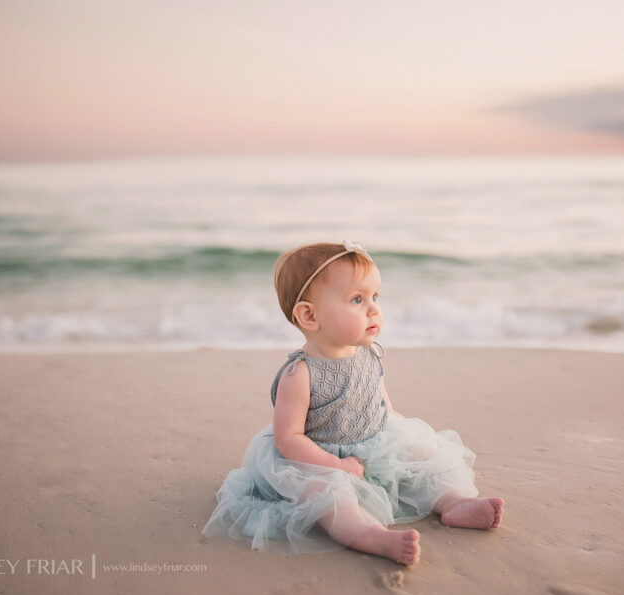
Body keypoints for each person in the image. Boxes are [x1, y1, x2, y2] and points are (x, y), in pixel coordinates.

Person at [201, 240, 504, 565]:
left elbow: (380, 402)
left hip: (376, 440)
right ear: (309, 315)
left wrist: (397, 441)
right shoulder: (299, 374)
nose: (373, 309)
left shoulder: (369, 353)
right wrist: (338, 466)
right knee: (327, 496)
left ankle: (454, 502)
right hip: (317, 457)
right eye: (357, 299)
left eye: (375, 297)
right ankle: (371, 535)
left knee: (425, 459)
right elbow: (288, 439)